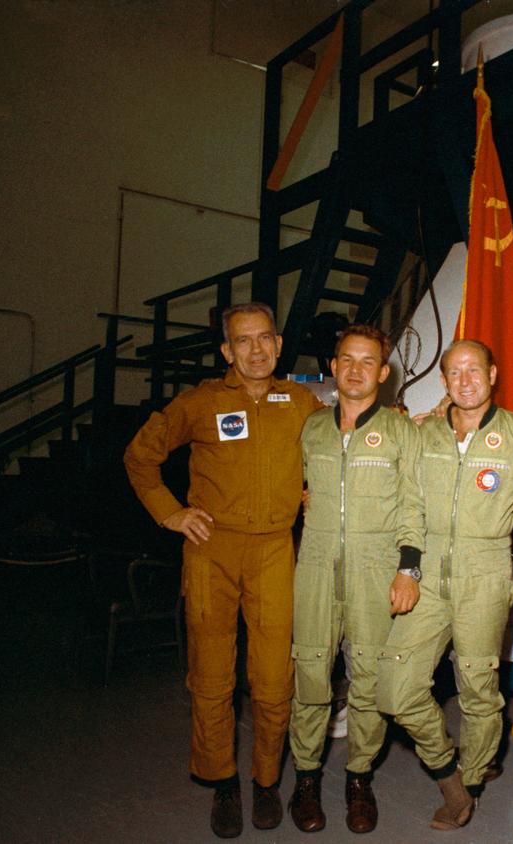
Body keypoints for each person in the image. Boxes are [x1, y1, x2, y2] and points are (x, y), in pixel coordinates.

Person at [123, 302, 322, 839]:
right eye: (243, 341)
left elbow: (333, 453)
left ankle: (264, 781)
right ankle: (223, 782)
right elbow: (140, 457)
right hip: (212, 549)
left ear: (279, 345)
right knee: (212, 676)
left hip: (276, 551)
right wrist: (171, 512)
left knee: (274, 676)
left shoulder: (300, 401)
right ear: (227, 350)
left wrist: (311, 495)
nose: (255, 350)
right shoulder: (201, 402)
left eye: (265, 339)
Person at [375, 339, 513, 830]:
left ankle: (475, 778)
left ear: (493, 375)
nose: (464, 380)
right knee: (394, 689)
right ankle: (449, 774)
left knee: (478, 689)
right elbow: (410, 506)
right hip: (426, 573)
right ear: (443, 381)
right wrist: (408, 568)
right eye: (454, 372)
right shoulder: (426, 436)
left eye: (474, 370)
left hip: (484, 575)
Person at [287, 324, 425, 834]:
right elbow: (291, 487)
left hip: (375, 570)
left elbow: (415, 506)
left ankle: (358, 777)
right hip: (317, 566)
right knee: (310, 672)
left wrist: (407, 570)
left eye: (368, 361)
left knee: (368, 677)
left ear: (383, 373)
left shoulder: (399, 431)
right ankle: (305, 778)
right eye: (347, 358)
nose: (356, 369)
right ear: (334, 365)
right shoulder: (311, 428)